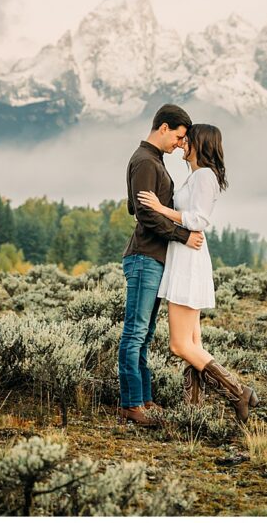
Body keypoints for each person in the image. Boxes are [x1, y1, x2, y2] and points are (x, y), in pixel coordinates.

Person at [138, 122, 259, 422]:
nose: (181, 143)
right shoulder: (198, 176)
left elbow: (199, 220)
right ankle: (194, 411)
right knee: (193, 344)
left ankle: (238, 392)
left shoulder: (204, 176)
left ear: (199, 144)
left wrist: (161, 209)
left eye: (186, 140)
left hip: (188, 261)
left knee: (179, 344)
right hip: (185, 256)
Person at [118, 104, 204, 426]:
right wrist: (183, 235)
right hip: (144, 257)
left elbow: (133, 205)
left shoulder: (153, 162)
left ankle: (145, 399)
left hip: (153, 258)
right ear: (164, 127)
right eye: (179, 137)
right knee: (135, 332)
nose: (180, 144)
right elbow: (143, 213)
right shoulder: (144, 161)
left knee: (146, 332)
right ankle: (131, 404)